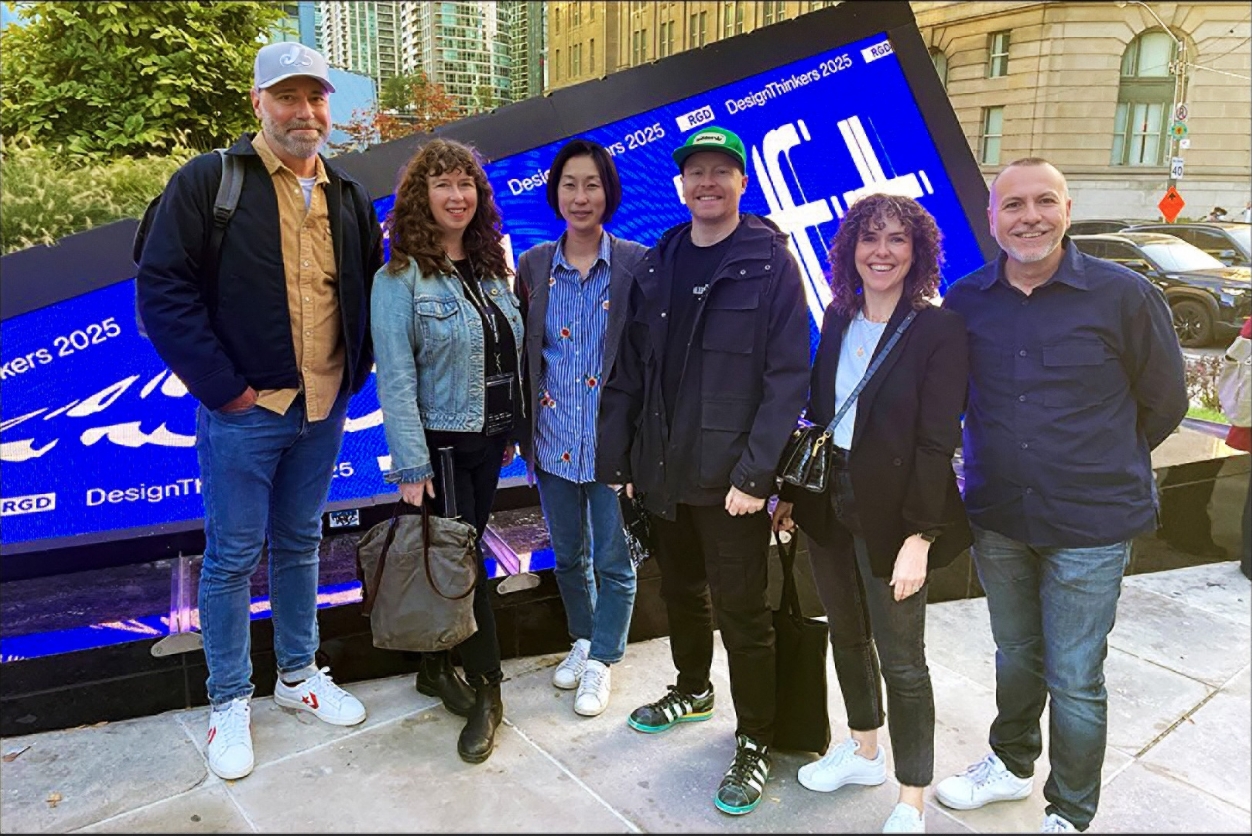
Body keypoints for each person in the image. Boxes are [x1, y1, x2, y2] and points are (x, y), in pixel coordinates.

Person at [135, 42, 382, 781]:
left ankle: (299, 675)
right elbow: (163, 291)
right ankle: (228, 701)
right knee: (233, 558)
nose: (304, 113)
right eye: (288, 97)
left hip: (324, 403)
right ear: (258, 104)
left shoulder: (346, 194)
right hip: (247, 411)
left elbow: (368, 286)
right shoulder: (211, 182)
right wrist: (227, 391)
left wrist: (356, 371)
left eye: (316, 98)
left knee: (302, 542)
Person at [938, 158, 1188, 833]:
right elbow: (950, 400)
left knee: (1075, 677)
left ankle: (1070, 812)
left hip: (1092, 521)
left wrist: (1096, 461)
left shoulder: (1125, 296)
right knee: (1016, 655)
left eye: (1044, 201)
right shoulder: (965, 300)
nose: (1030, 217)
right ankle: (1011, 764)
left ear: (1068, 210)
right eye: (1012, 205)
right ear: (992, 219)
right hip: (999, 517)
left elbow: (1164, 402)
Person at [596, 126, 810, 816]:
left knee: (744, 614)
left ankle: (756, 738)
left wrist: (757, 477)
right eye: (697, 173)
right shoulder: (660, 260)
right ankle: (693, 687)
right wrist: (621, 459)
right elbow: (630, 369)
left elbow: (787, 378)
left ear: (742, 183)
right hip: (663, 472)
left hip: (732, 483)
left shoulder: (770, 261)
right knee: (682, 594)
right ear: (682, 184)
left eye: (722, 171)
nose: (708, 183)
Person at [771, 194, 972, 834]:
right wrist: (795, 497)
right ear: (850, 249)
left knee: (903, 659)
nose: (881, 252)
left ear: (918, 253)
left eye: (896, 240)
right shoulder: (837, 315)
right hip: (832, 499)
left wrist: (920, 535)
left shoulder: (938, 330)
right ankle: (862, 749)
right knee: (846, 633)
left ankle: (912, 794)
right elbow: (822, 419)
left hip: (898, 511)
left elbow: (938, 442)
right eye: (869, 239)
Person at [371, 138, 524, 765]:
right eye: (443, 185)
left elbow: (505, 355)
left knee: (457, 557)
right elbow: (396, 376)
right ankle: (489, 691)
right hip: (439, 447)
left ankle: (435, 670)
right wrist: (411, 463)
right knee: (465, 567)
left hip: (489, 440)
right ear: (420, 197)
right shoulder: (398, 277)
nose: (457, 195)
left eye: (466, 183)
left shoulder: (491, 269)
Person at [515, 140, 647, 717]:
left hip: (611, 443)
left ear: (608, 191)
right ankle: (582, 639)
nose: (580, 196)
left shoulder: (637, 263)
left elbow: (647, 360)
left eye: (591, 184)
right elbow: (525, 353)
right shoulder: (535, 265)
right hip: (552, 438)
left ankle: (604, 658)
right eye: (570, 184)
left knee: (614, 559)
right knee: (568, 555)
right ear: (556, 192)